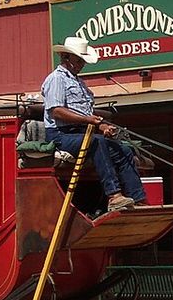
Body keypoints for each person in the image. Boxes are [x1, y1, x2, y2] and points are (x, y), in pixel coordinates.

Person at [41, 36, 146, 211]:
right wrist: (89, 120)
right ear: (66, 58)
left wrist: (102, 126)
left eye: (83, 60)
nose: (82, 63)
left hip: (83, 131)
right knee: (97, 142)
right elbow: (56, 111)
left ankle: (139, 198)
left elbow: (86, 113)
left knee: (124, 150)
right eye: (79, 59)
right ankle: (114, 196)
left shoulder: (79, 83)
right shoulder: (56, 79)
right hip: (61, 135)